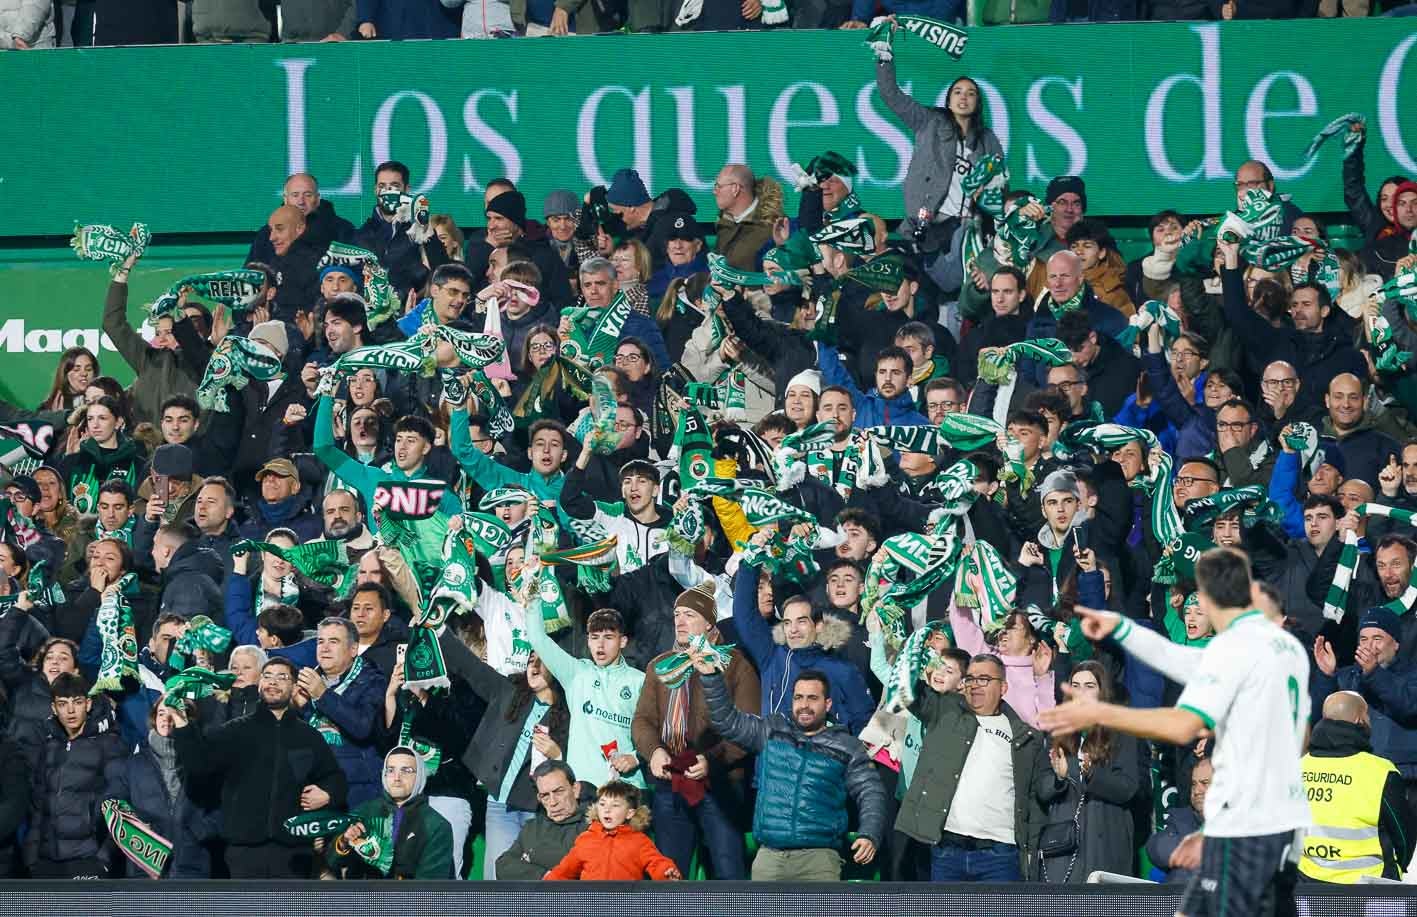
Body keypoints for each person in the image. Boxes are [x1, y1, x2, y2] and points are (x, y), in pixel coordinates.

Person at [1041, 548, 1311, 917]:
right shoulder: (1286, 649)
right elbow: (1183, 661)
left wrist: (1102, 712)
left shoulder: (1237, 650)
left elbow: (1182, 724)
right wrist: (1124, 630)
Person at [700, 663, 886, 881]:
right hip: (770, 858)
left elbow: (871, 792)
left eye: (812, 698)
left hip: (819, 859)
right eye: (798, 697)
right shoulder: (771, 730)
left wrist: (870, 833)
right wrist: (711, 677)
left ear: (828, 704)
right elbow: (727, 722)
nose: (804, 705)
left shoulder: (848, 746)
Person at [171, 656, 348, 879]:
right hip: (243, 852)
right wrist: (182, 725)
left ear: (294, 687)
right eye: (268, 676)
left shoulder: (309, 736)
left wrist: (327, 794)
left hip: (295, 854)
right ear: (260, 683)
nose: (273, 682)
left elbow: (336, 778)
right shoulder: (235, 731)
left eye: (282, 677)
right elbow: (198, 765)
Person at [632, 583, 760, 880]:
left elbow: (749, 728)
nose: (680, 621)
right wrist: (654, 751)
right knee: (668, 875)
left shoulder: (735, 664)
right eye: (677, 614)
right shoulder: (661, 667)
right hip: (670, 784)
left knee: (728, 872)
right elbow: (642, 720)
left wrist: (712, 760)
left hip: (720, 785)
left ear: (709, 623)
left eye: (689, 614)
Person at [894, 653, 1047, 882]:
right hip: (947, 850)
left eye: (984, 679)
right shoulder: (945, 711)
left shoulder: (1026, 738)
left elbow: (1035, 801)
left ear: (1003, 687)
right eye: (970, 678)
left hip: (1000, 856)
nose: (975, 685)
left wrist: (1031, 855)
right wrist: (918, 654)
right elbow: (902, 687)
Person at [731, 562, 875, 734]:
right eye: (787, 623)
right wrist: (750, 562)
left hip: (823, 758)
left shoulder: (842, 669)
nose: (793, 630)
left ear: (819, 626)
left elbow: (864, 723)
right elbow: (745, 615)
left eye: (801, 621)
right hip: (773, 757)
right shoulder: (771, 656)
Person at [1036, 662, 1142, 884]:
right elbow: (1041, 790)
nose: (1081, 692)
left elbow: (1127, 788)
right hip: (1063, 848)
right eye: (1075, 685)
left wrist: (1087, 772)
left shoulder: (1122, 731)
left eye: (1089, 685)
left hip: (1103, 841)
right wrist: (1060, 777)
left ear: (1102, 691)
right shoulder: (1057, 730)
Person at [16, 673, 126, 878]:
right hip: (46, 861)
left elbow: (120, 808)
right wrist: (31, 858)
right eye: (62, 703)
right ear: (53, 708)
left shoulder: (109, 745)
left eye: (77, 702)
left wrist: (103, 860)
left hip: (87, 860)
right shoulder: (48, 747)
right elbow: (38, 808)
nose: (70, 710)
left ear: (88, 704)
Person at [525, 605, 646, 791]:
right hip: (583, 788)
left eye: (608, 637)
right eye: (594, 637)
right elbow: (537, 638)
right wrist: (532, 599)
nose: (600, 645)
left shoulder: (640, 681)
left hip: (625, 789)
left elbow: (658, 732)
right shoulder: (575, 673)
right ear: (587, 641)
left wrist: (635, 757)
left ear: (623, 641)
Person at [1297, 691, 1413, 883]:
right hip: (1369, 888)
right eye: (1367, 715)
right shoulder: (1380, 771)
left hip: (1307, 885)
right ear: (1360, 720)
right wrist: (1396, 868)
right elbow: (1404, 836)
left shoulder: (1299, 767)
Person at [103, 698, 222, 878]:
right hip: (145, 870)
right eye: (161, 713)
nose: (166, 719)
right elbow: (112, 803)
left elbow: (222, 808)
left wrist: (198, 831)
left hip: (191, 867)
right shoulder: (133, 765)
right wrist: (137, 831)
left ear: (186, 719)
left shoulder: (203, 763)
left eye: (173, 713)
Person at [295, 617, 388, 807]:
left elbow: (363, 728)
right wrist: (300, 708)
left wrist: (322, 694)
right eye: (321, 641)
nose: (324, 648)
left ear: (353, 649)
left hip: (359, 795)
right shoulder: (307, 682)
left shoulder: (373, 681)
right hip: (313, 790)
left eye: (334, 641)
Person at [324, 746, 454, 880]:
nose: (397, 778)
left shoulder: (436, 826)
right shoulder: (364, 811)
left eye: (406, 771)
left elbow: (430, 887)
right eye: (390, 770)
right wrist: (343, 842)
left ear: (420, 775)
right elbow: (331, 863)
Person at [543, 780, 680, 881]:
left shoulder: (639, 841)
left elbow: (656, 862)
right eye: (602, 804)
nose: (607, 809)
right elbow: (565, 869)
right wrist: (548, 883)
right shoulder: (586, 839)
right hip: (590, 905)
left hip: (625, 904)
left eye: (615, 805)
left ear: (629, 813)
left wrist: (666, 872)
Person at [497, 760, 593, 879]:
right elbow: (503, 865)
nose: (553, 802)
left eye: (558, 791)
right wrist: (546, 876)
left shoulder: (593, 827)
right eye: (545, 796)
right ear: (539, 798)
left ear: (575, 789)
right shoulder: (533, 827)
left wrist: (528, 865)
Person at [1148, 757, 1212, 884]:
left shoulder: (1239, 819)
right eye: (1194, 784)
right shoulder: (1181, 818)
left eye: (1205, 783)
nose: (1197, 791)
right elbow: (1157, 849)